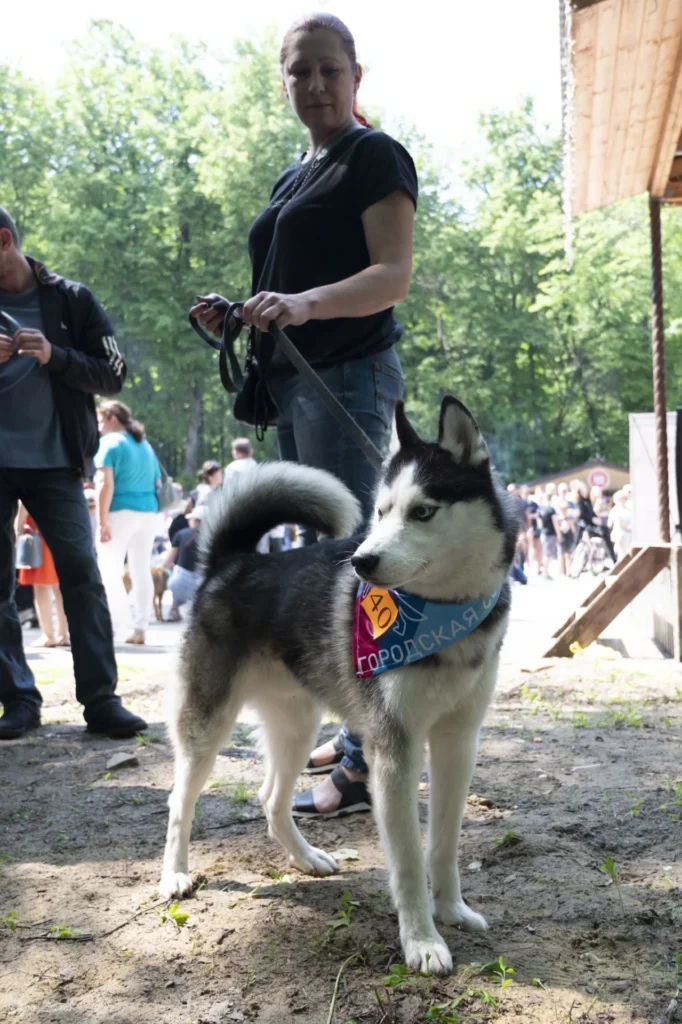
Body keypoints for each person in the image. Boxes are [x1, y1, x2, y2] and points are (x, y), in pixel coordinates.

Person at [191, 13, 417, 818]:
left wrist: (304, 304)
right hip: (298, 380)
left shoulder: (374, 154)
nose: (315, 86)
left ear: (357, 74)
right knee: (332, 564)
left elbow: (392, 275)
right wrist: (246, 314)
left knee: (360, 564)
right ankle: (355, 733)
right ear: (283, 80)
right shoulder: (300, 169)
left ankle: (368, 759)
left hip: (347, 378)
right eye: (300, 73)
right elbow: (293, 278)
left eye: (329, 70)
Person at [0, 206, 147, 739]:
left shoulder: (70, 299)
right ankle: (17, 700)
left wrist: (54, 355)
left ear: (4, 241)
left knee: (82, 576)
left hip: (56, 464)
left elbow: (115, 373)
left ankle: (101, 701)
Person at [94, 401, 162, 646]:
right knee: (140, 570)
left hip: (119, 512)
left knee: (109, 571)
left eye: (101, 421)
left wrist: (102, 521)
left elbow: (105, 484)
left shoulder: (109, 444)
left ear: (112, 418)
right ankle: (140, 627)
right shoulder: (145, 445)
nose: (99, 427)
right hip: (148, 513)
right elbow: (157, 483)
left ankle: (119, 626)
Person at [16, 505, 68, 647]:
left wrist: (16, 530)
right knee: (59, 587)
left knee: (41, 587)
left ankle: (48, 635)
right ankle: (63, 634)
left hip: (38, 535)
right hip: (60, 531)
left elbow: (24, 506)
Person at [165, 505, 204, 621]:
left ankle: (174, 608)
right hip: (202, 585)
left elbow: (167, 562)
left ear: (195, 520)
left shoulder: (181, 534)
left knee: (178, 573)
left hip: (179, 583)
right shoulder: (212, 537)